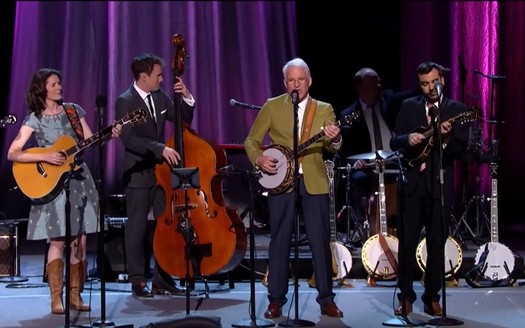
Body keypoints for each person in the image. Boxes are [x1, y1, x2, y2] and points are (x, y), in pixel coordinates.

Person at [6, 68, 121, 314]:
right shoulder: (34, 119)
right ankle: (56, 298)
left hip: (80, 179)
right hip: (54, 184)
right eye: (54, 84)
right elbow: (13, 152)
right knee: (57, 239)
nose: (60, 87)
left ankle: (75, 296)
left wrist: (110, 135)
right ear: (42, 89)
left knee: (80, 239)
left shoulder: (73, 111)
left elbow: (92, 139)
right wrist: (47, 154)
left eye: (60, 83)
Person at [244, 57, 344, 319]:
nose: (296, 84)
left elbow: (333, 148)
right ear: (285, 83)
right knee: (279, 241)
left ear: (309, 81)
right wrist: (259, 158)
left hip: (313, 181)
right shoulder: (272, 106)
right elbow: (251, 140)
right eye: (291, 80)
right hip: (281, 183)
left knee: (319, 242)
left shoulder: (324, 109)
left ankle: (326, 299)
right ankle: (276, 299)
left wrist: (336, 138)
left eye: (301, 79)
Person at [390, 61, 470, 316]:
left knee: (437, 242)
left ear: (442, 81)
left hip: (439, 185)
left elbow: (461, 149)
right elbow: (394, 140)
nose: (429, 88)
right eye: (424, 84)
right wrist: (407, 139)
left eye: (434, 82)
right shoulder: (409, 107)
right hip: (412, 186)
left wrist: (446, 139)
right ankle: (406, 296)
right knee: (408, 243)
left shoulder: (456, 110)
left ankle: (432, 296)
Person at [115, 53, 195, 298]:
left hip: (162, 174)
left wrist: (187, 98)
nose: (162, 79)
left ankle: (162, 278)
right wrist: (161, 148)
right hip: (138, 173)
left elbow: (182, 121)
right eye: (158, 75)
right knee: (137, 228)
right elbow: (129, 139)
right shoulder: (125, 101)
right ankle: (138, 280)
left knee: (165, 226)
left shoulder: (160, 96)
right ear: (143, 76)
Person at [338, 67, 419, 240]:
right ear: (361, 88)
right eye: (374, 83)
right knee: (358, 179)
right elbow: (346, 150)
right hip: (367, 165)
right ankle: (363, 228)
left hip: (394, 159)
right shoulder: (348, 114)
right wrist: (354, 164)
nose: (379, 86)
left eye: (379, 81)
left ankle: (411, 226)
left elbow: (412, 93)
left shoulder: (388, 99)